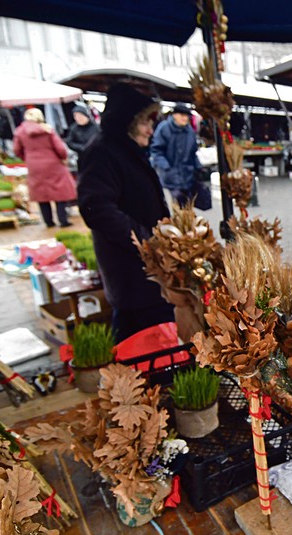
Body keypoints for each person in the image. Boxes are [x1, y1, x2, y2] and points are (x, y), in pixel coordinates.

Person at [77, 83, 174, 343]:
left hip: (145, 266)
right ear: (127, 121)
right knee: (138, 333)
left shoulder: (126, 148)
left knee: (149, 329)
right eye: (145, 122)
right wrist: (145, 240)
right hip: (130, 267)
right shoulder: (102, 152)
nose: (150, 129)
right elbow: (96, 208)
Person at [12, 108, 77, 228]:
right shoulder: (47, 129)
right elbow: (61, 149)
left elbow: (16, 150)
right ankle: (63, 220)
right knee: (60, 191)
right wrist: (62, 157)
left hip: (33, 165)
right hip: (53, 163)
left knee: (41, 193)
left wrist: (27, 157)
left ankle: (48, 222)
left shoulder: (19, 131)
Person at [150, 103, 201, 207]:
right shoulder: (164, 128)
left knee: (188, 206)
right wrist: (166, 167)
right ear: (174, 115)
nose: (185, 118)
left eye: (187, 116)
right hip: (170, 177)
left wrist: (198, 167)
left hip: (187, 176)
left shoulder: (189, 131)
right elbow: (156, 150)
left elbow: (193, 152)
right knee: (176, 205)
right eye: (182, 115)